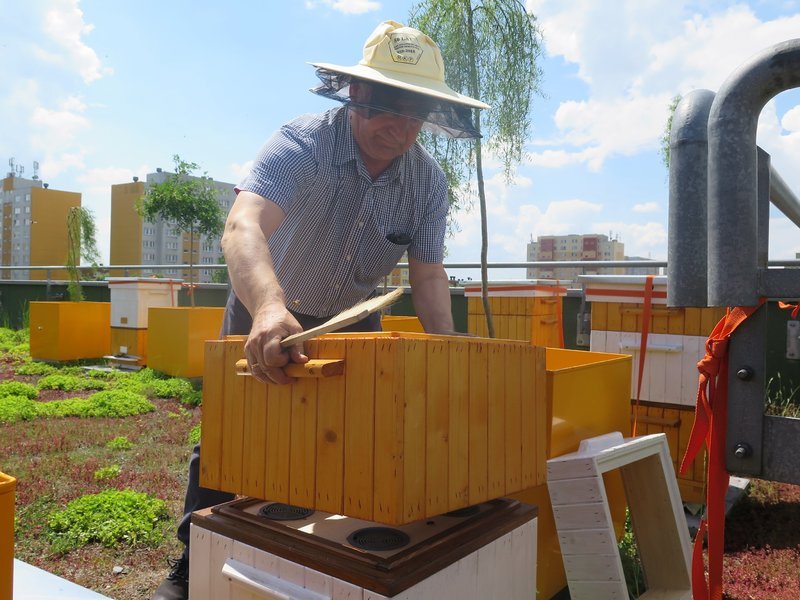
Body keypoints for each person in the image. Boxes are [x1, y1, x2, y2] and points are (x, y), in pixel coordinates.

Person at [151, 19, 488, 600]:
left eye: (415, 115)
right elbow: (242, 224)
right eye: (389, 108)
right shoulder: (300, 143)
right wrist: (268, 309)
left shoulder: (428, 182)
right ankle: (190, 566)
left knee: (354, 434)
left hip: (356, 318)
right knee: (233, 435)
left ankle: (328, 553)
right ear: (355, 93)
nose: (400, 128)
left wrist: (451, 354)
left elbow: (429, 275)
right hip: (267, 304)